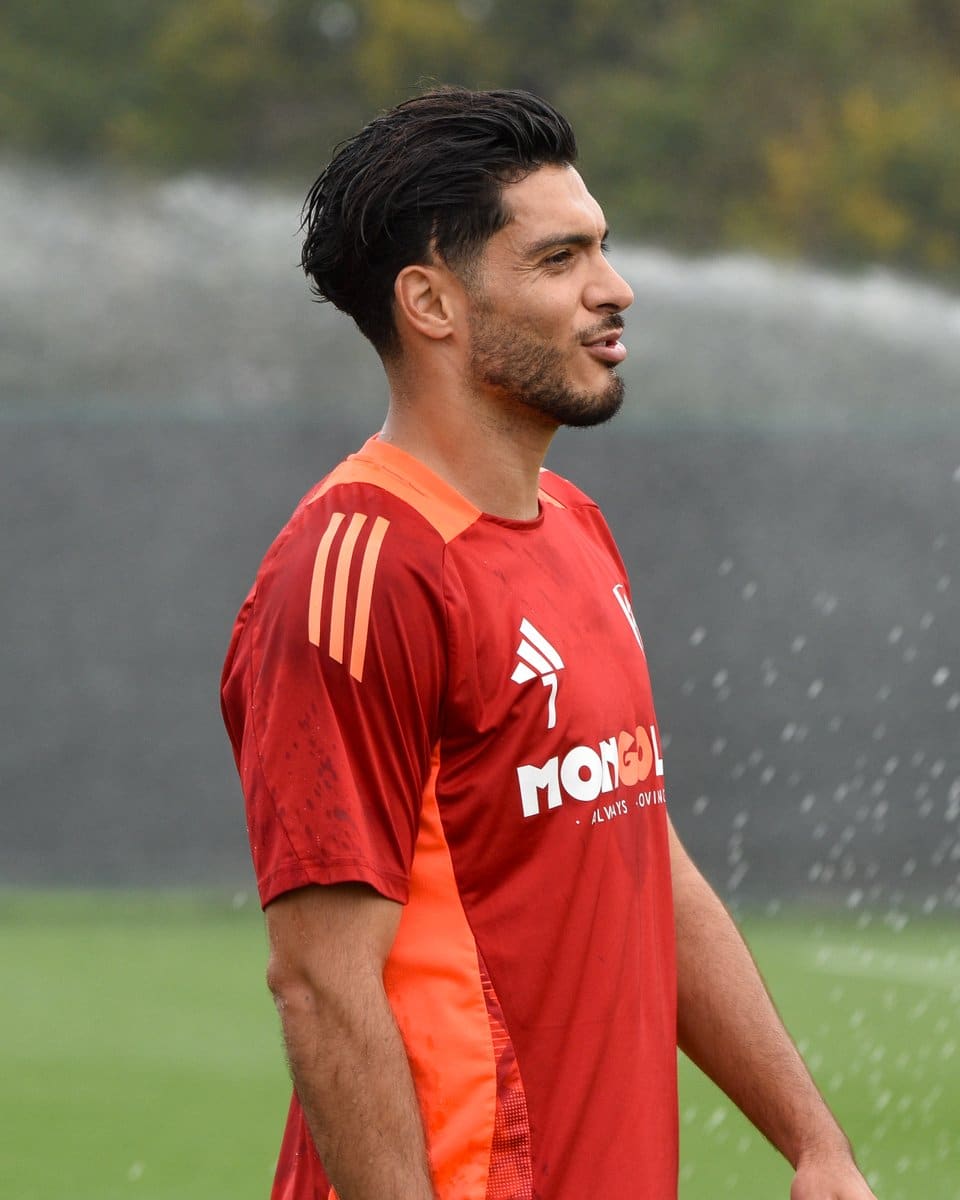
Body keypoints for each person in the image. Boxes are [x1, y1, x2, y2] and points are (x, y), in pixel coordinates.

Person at [220, 86, 877, 1200]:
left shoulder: (575, 528)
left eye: (604, 248)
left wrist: (815, 1144)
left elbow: (641, 857)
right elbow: (323, 986)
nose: (614, 289)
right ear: (432, 302)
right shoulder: (357, 571)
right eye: (561, 257)